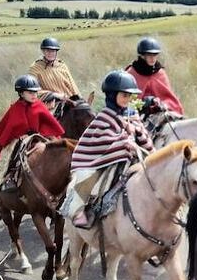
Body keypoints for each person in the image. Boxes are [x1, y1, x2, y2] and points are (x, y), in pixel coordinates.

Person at [62, 70, 154, 227]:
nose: (127, 99)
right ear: (112, 96)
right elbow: (103, 141)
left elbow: (144, 137)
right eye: (124, 95)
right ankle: (77, 210)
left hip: (130, 157)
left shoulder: (131, 114)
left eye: (129, 96)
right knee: (89, 178)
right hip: (101, 160)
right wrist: (125, 143)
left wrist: (138, 132)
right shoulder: (105, 116)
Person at [0, 75, 65, 192]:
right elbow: (9, 128)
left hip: (40, 137)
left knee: (59, 149)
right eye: (30, 92)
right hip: (19, 139)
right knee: (12, 153)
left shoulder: (40, 106)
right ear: (21, 93)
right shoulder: (15, 108)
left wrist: (44, 134)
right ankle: (8, 178)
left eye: (35, 92)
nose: (34, 95)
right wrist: (19, 136)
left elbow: (49, 123)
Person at [125, 37, 185, 116]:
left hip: (161, 111)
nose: (153, 58)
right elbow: (126, 100)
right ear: (142, 55)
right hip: (137, 114)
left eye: (155, 55)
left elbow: (169, 98)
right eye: (149, 55)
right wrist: (144, 103)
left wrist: (162, 104)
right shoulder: (131, 73)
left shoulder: (160, 73)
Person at [28, 37, 81, 104]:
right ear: (43, 51)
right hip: (50, 103)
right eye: (48, 51)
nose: (50, 53)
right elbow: (32, 91)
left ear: (56, 52)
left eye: (53, 51)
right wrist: (54, 95)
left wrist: (80, 100)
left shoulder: (62, 65)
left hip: (70, 101)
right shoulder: (35, 68)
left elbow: (72, 86)